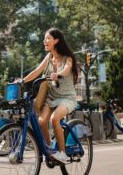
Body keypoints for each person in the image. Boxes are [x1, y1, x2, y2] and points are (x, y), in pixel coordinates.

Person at [16, 28, 79, 164]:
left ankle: (62, 154)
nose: (44, 41)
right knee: (41, 121)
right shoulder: (49, 57)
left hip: (67, 98)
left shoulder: (67, 58)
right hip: (52, 98)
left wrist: (59, 74)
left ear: (56, 40)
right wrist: (22, 80)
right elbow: (37, 71)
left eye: (47, 38)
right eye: (44, 39)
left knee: (54, 119)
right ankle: (49, 148)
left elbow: (67, 69)